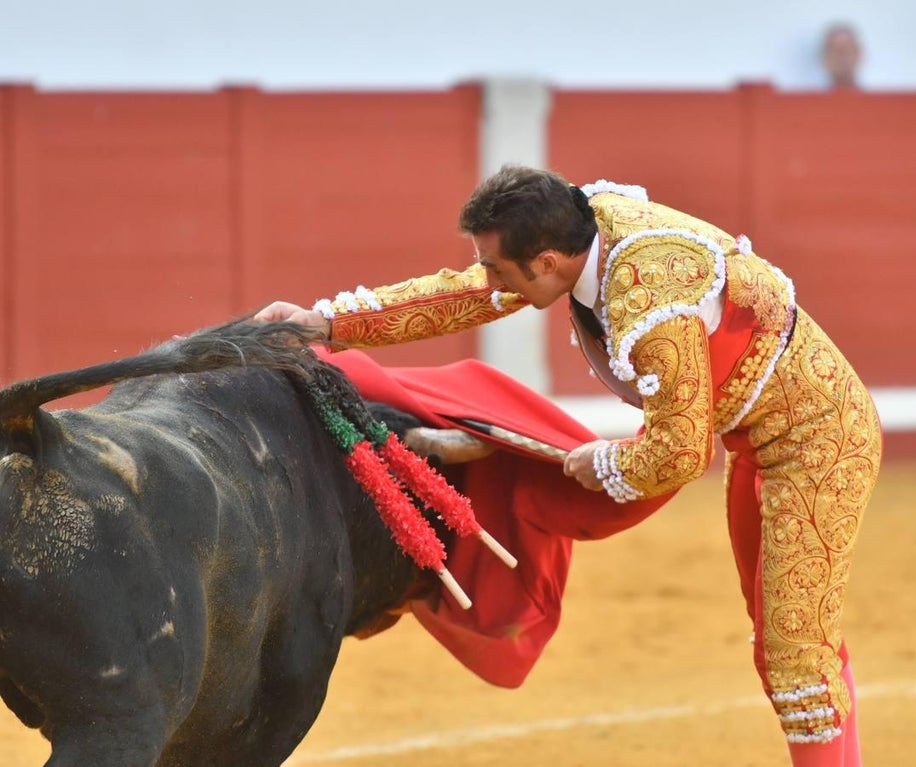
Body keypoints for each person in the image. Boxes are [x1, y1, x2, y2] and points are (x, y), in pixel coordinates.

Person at [255, 165, 883, 767]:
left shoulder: (649, 299)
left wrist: (604, 462)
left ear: (547, 264)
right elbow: (472, 294)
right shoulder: (580, 226)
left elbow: (684, 451)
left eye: (500, 268)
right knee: (790, 643)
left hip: (815, 440)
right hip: (757, 439)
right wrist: (327, 323)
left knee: (795, 649)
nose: (490, 280)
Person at [819, 22, 864, 90]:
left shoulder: (877, 100)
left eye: (847, 49)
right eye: (835, 50)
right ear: (824, 57)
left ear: (858, 55)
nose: (841, 55)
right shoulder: (809, 100)